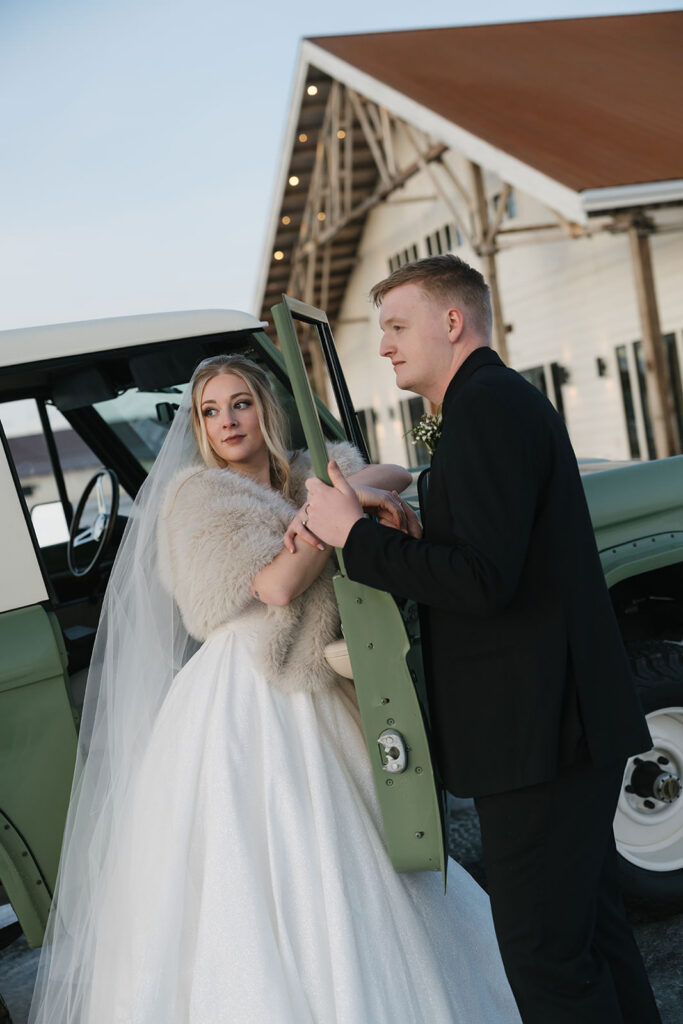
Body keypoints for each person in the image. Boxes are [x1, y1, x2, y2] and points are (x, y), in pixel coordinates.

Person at [29, 353, 521, 1024]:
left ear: (265, 407)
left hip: (318, 679)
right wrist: (330, 518)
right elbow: (276, 585)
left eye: (240, 403)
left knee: (364, 857)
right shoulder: (200, 495)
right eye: (211, 410)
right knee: (260, 865)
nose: (228, 420)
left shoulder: (305, 474)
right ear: (198, 427)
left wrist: (323, 505)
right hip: (245, 691)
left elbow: (396, 472)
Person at [302, 255, 662, 1024]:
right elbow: (502, 557)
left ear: (452, 321)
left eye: (396, 327)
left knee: (545, 960)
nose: (386, 346)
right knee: (589, 938)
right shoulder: (488, 405)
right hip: (552, 725)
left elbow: (480, 581)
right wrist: (420, 531)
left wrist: (355, 536)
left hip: (539, 733)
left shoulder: (486, 410)